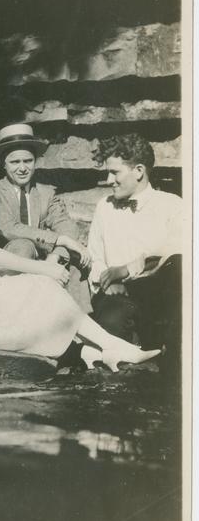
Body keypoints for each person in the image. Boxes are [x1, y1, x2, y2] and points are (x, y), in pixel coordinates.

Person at [0, 135, 160, 373]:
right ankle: (92, 349)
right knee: (36, 275)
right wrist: (44, 268)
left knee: (44, 283)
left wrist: (55, 257)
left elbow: (65, 227)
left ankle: (105, 347)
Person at [0, 123, 92, 311]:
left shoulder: (46, 193)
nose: (22, 168)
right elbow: (7, 227)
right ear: (3, 164)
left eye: (28, 161)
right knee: (23, 245)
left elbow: (66, 226)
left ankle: (79, 329)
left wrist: (57, 255)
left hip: (46, 260)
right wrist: (58, 240)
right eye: (15, 162)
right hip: (5, 265)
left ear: (35, 161)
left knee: (74, 260)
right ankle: (18, 318)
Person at [87, 132, 182, 355]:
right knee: (111, 322)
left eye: (115, 172)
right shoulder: (104, 207)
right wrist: (108, 282)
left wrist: (126, 270)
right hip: (115, 295)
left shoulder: (172, 205)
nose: (109, 181)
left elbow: (173, 254)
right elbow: (95, 256)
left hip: (156, 296)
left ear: (139, 171)